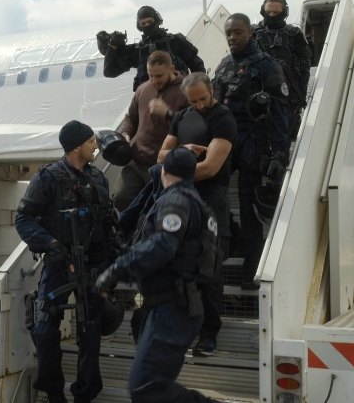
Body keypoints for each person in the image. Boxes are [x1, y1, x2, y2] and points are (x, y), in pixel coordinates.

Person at [95, 147, 220, 403]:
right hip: (174, 304)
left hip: (172, 307)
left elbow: (162, 246)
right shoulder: (197, 204)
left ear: (164, 172)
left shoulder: (175, 201)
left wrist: (116, 270)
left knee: (146, 387)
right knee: (150, 386)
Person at [15, 120, 119, 403]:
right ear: (76, 146)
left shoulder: (99, 178)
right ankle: (52, 391)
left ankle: (85, 394)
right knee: (44, 327)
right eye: (89, 142)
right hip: (59, 262)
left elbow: (107, 222)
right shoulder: (48, 177)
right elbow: (23, 219)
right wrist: (51, 244)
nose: (95, 145)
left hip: (94, 264)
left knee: (91, 329)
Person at [158, 72, 237, 356]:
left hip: (211, 202)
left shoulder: (223, 117)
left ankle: (209, 334)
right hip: (181, 203)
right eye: (194, 101)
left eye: (204, 98)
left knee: (210, 270)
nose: (200, 105)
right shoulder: (181, 116)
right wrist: (183, 150)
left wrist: (175, 169)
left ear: (212, 90)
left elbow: (210, 167)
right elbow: (160, 156)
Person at [214, 13, 290, 291]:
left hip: (252, 141)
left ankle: (251, 268)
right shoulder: (223, 66)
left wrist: (279, 154)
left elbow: (280, 112)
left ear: (250, 33)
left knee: (248, 207)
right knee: (214, 197)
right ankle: (229, 241)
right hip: (223, 140)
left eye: (238, 32)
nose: (233, 37)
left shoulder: (267, 66)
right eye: (229, 33)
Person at [114, 50, 189, 212]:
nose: (154, 81)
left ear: (172, 68)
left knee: (159, 207)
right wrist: (126, 134)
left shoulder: (186, 91)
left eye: (159, 76)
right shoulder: (142, 89)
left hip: (165, 165)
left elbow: (193, 126)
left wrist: (168, 114)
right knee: (120, 197)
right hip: (137, 161)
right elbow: (130, 118)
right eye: (150, 75)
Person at [98, 6, 206, 91]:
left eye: (150, 21)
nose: (147, 25)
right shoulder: (139, 50)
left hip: (179, 96)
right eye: (143, 23)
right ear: (139, 26)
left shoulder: (175, 41)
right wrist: (112, 46)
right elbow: (110, 71)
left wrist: (199, 90)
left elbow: (197, 66)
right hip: (151, 102)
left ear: (157, 20)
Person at [253, 0, 312, 137]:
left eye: (276, 13)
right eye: (268, 12)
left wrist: (301, 95)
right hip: (258, 91)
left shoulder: (294, 34)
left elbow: (305, 66)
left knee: (286, 133)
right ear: (263, 11)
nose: (271, 15)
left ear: (284, 12)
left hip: (287, 93)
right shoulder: (252, 33)